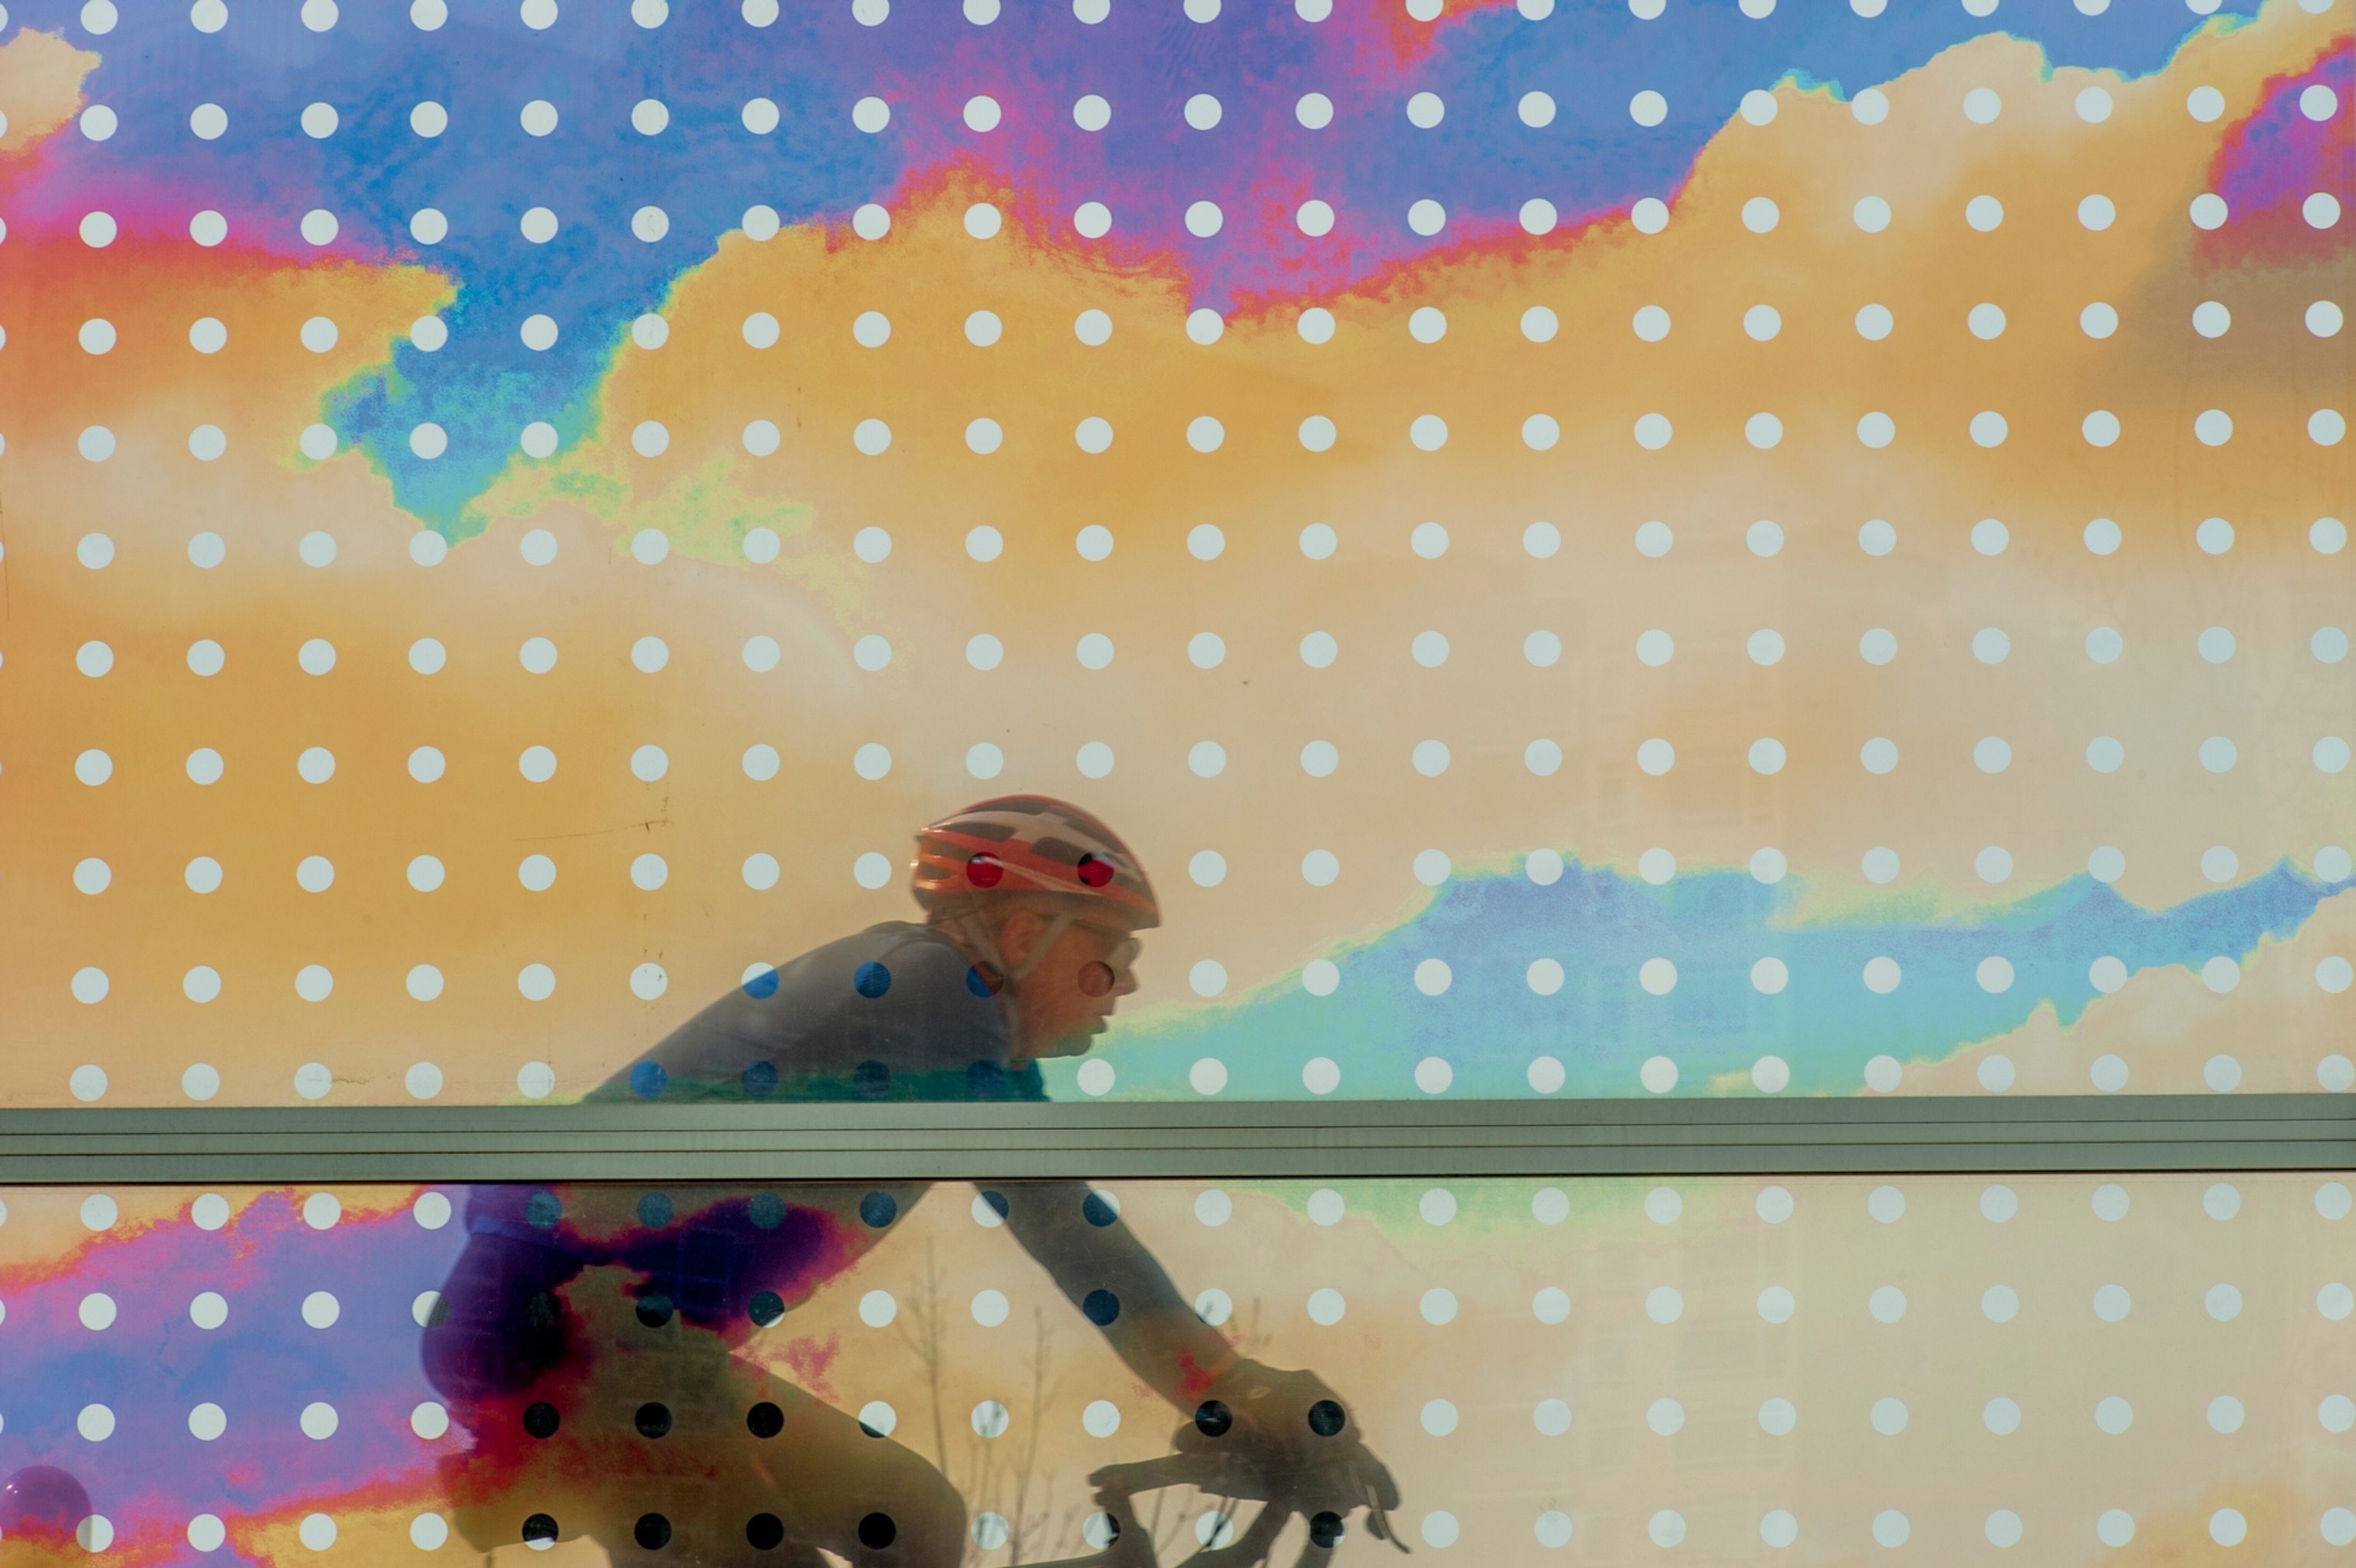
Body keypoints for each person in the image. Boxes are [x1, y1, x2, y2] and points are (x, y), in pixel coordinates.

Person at [423, 797, 1397, 1566]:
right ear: (1024, 936)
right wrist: (1222, 1382)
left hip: (622, 1343)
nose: (1126, 988)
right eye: (1112, 958)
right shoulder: (933, 984)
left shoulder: (961, 1035)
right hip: (564, 1327)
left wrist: (1220, 1387)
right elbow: (1063, 1223)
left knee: (916, 1519)